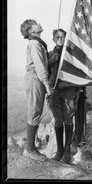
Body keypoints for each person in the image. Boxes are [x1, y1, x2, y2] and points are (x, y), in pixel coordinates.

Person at [20, 19, 54, 161]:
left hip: (36, 78)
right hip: (35, 79)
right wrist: (47, 85)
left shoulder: (37, 43)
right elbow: (39, 66)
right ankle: (30, 150)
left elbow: (41, 61)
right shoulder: (34, 43)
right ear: (30, 31)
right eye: (34, 23)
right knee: (34, 112)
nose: (38, 23)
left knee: (36, 112)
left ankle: (31, 148)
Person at [48, 28, 79, 163]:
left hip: (69, 89)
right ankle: (59, 151)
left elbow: (79, 73)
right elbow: (43, 71)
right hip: (54, 90)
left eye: (63, 37)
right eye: (58, 37)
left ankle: (67, 151)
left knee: (68, 118)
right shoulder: (49, 54)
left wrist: (78, 90)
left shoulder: (71, 56)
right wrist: (50, 61)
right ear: (54, 39)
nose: (60, 39)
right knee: (58, 118)